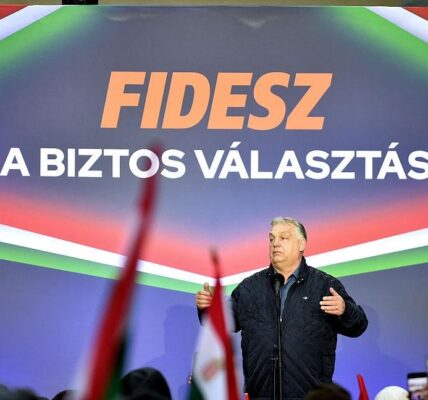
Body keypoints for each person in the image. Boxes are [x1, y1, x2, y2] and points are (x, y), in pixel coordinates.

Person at [196, 217, 368, 400]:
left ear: (302, 244)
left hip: (311, 396)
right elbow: (222, 324)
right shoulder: (249, 288)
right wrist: (208, 308)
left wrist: (344, 310)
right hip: (261, 394)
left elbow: (358, 325)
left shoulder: (324, 285)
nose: (275, 243)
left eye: (283, 238)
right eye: (271, 239)